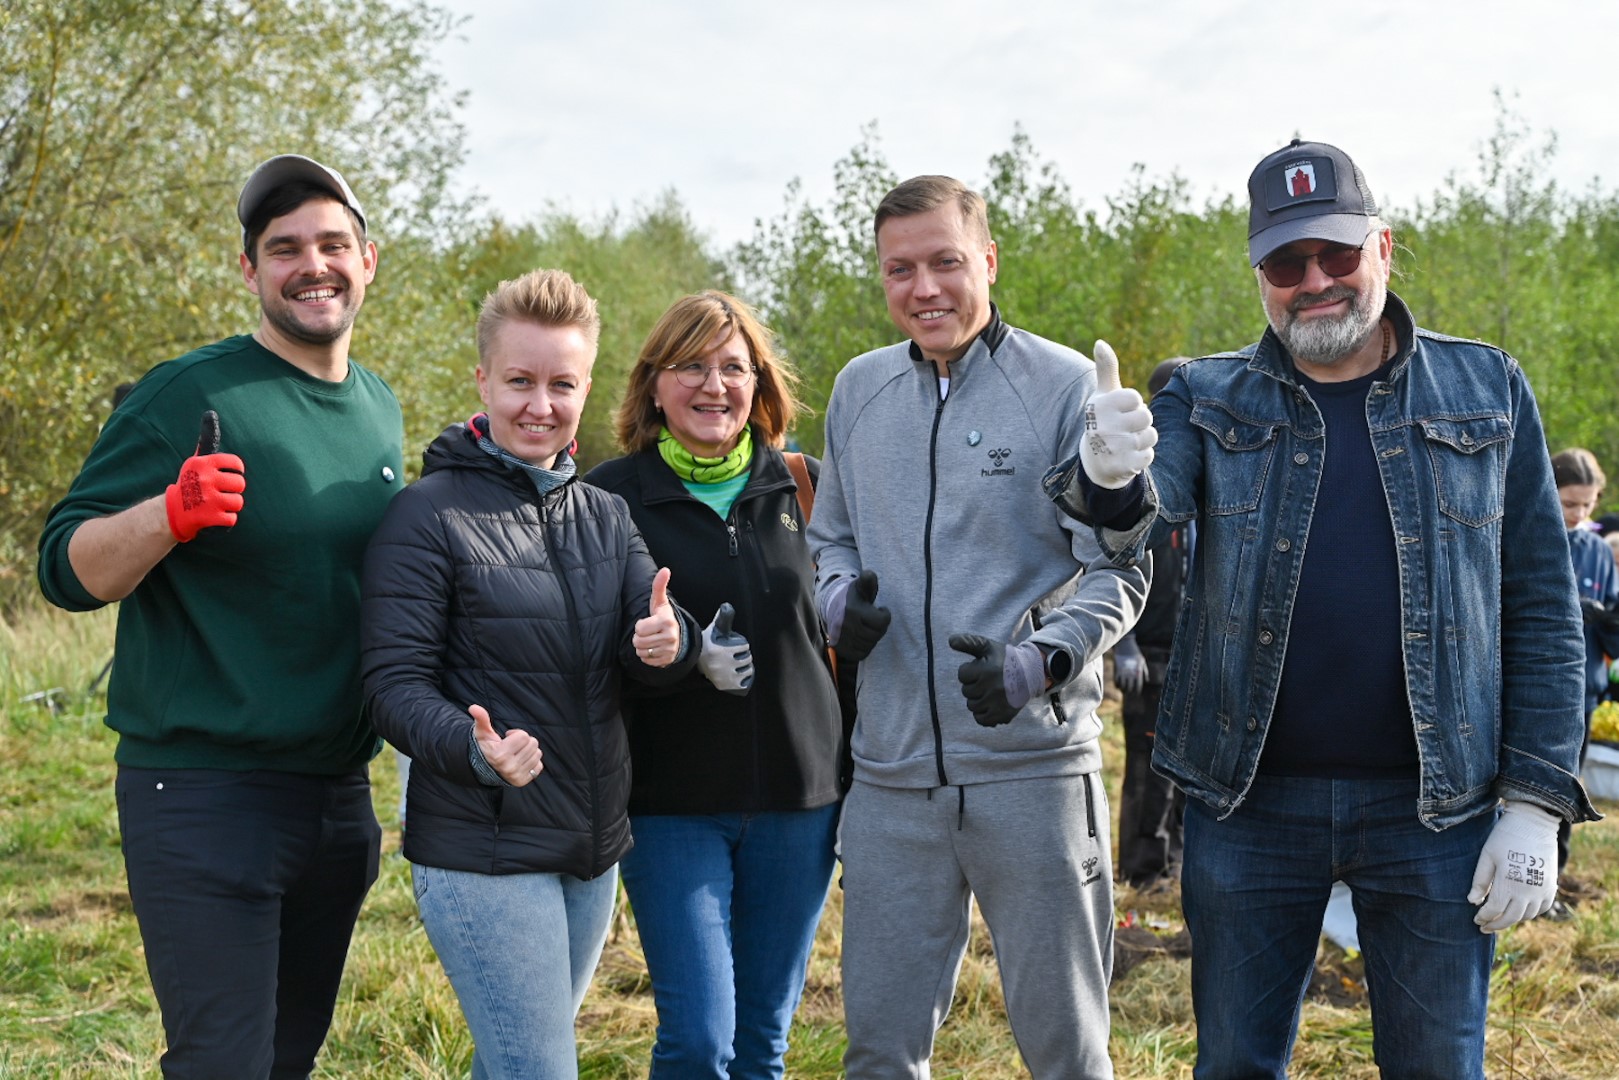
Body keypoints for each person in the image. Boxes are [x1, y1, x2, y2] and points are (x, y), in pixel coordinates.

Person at [1049, 139, 1598, 1078]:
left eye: (1336, 254)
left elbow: (1544, 609)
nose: (1314, 282)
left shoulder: (1486, 389)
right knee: (1234, 1063)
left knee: (1436, 1065)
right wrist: (1105, 474)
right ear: (1259, 277)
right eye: (1285, 264)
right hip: (1247, 802)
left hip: (1437, 807)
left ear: (1382, 247)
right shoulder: (1205, 394)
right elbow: (1139, 518)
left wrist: (1536, 802)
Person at [37, 154, 401, 1077]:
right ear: (249, 270)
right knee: (222, 1065)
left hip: (336, 798)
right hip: (202, 792)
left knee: (286, 1060)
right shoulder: (188, 394)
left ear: (367, 260)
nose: (312, 265)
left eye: (332, 244)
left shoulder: (378, 406)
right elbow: (65, 570)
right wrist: (168, 514)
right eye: (284, 248)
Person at [806, 174, 1147, 1078]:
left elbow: (1121, 566)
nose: (924, 289)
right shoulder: (859, 389)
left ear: (988, 261)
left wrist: (1040, 661)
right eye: (900, 269)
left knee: (1066, 1051)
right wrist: (835, 603)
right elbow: (827, 540)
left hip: (1034, 775)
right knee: (877, 1054)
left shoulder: (1064, 387)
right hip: (890, 782)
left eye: (945, 262)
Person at [359, 268, 703, 1079]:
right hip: (482, 848)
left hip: (589, 850)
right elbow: (392, 686)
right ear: (482, 380)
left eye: (561, 384)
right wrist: (473, 748)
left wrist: (671, 642)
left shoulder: (605, 515)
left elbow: (651, 635)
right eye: (519, 381)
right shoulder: (427, 515)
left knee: (513, 1064)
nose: (539, 405)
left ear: (586, 388)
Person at [583, 290, 844, 1079]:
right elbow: (583, 651)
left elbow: (850, 632)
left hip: (800, 803)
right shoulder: (608, 499)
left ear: (759, 384)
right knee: (699, 1041)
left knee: (761, 1044)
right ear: (653, 384)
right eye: (689, 366)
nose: (713, 385)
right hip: (669, 806)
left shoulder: (807, 486)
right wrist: (664, 654)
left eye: (733, 367)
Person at [1109, 356, 1192, 889]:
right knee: (1148, 761)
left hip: (1192, 650)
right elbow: (1110, 562)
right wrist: (1125, 645)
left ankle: (1173, 863)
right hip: (1148, 651)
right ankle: (1142, 872)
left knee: (1187, 764)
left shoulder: (1199, 468)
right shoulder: (1133, 476)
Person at [1551, 448, 1619, 898]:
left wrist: (1610, 621)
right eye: (1569, 503)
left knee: (1568, 790)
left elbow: (1612, 632)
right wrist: (1571, 610)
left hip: (1584, 691)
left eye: (1587, 505)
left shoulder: (1597, 550)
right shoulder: (1534, 536)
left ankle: (1553, 881)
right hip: (1538, 687)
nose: (1578, 514)